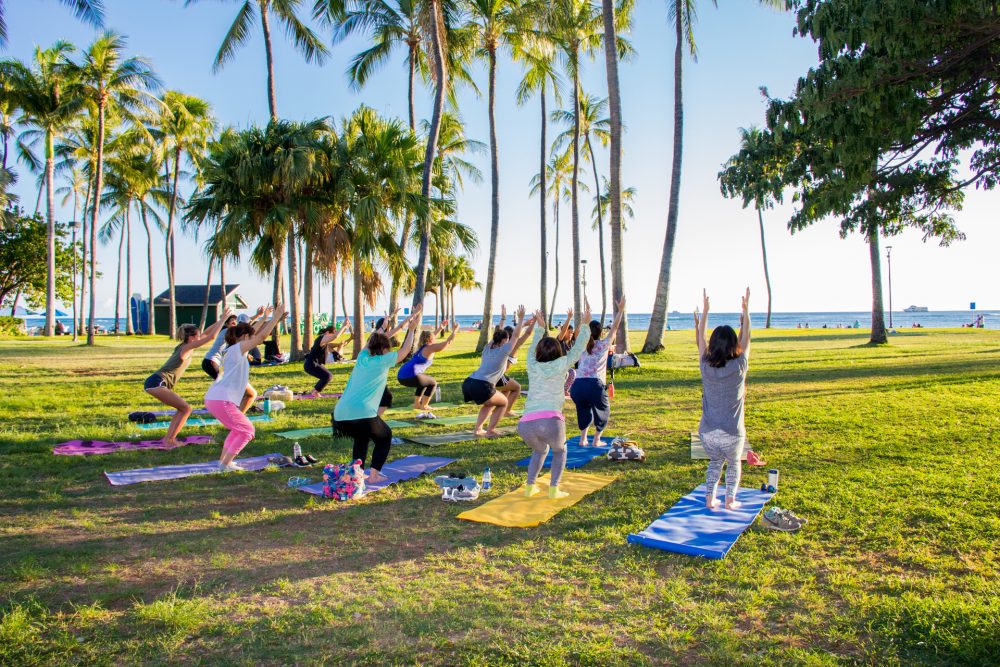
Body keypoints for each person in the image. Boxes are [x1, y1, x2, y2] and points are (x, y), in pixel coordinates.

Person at [332, 305, 423, 484]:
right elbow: (405, 351)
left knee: (362, 437)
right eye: (387, 348)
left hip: (340, 414)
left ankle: (356, 472)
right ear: (383, 349)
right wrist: (411, 330)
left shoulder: (362, 356)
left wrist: (390, 325)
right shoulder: (382, 361)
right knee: (385, 436)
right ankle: (374, 474)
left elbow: (373, 341)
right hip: (362, 412)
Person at [519, 302, 592, 500]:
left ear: (538, 354)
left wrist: (540, 328)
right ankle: (554, 489)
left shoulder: (532, 364)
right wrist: (585, 325)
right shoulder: (562, 363)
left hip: (525, 424)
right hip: (551, 421)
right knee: (560, 451)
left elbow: (532, 346)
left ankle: (530, 487)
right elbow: (578, 349)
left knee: (540, 449)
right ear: (559, 352)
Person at [206, 304, 287, 472]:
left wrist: (264, 318)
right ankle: (226, 464)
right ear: (244, 337)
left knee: (238, 429)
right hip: (221, 400)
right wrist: (275, 318)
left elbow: (254, 332)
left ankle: (224, 461)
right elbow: (261, 335)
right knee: (247, 430)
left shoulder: (234, 348)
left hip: (216, 398)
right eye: (250, 337)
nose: (253, 340)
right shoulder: (237, 349)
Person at [694, 288, 751, 511]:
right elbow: (747, 339)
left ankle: (710, 499)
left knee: (715, 462)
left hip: (707, 433)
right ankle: (729, 500)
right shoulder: (739, 366)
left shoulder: (705, 365)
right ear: (734, 344)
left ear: (713, 344)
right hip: (732, 432)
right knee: (734, 463)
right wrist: (746, 315)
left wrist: (705, 312)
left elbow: (700, 339)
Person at [143, 309, 234, 447]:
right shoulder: (185, 348)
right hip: (157, 382)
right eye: (197, 336)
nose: (200, 337)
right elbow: (210, 337)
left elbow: (206, 333)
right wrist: (222, 321)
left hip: (155, 382)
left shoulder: (186, 346)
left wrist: (222, 321)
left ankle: (169, 439)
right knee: (186, 409)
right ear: (191, 338)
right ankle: (170, 440)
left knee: (183, 409)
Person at [462, 306, 534, 437]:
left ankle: (478, 429)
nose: (508, 342)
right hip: (482, 385)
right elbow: (516, 335)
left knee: (490, 403)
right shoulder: (503, 351)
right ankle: (490, 431)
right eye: (506, 341)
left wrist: (503, 319)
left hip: (468, 383)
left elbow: (498, 333)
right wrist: (521, 318)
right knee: (504, 403)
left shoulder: (487, 347)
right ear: (502, 343)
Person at [571, 296, 627, 446]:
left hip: (577, 385)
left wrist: (587, 312)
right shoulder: (603, 344)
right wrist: (620, 310)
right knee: (603, 411)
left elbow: (581, 329)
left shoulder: (581, 344)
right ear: (601, 332)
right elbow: (615, 327)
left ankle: (583, 439)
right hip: (594, 384)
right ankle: (596, 440)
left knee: (583, 410)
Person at [397, 319, 458, 417]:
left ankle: (417, 404)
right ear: (430, 340)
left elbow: (431, 336)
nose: (434, 339)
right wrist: (455, 331)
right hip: (410, 375)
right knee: (433, 383)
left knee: (423, 382)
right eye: (433, 338)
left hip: (401, 375)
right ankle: (424, 405)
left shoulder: (422, 347)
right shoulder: (429, 348)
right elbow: (447, 343)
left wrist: (441, 328)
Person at [303, 319, 351, 397]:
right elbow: (335, 336)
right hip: (311, 364)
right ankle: (315, 391)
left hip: (312, 364)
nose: (331, 337)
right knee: (328, 376)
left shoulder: (323, 339)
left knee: (327, 376)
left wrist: (345, 327)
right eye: (331, 334)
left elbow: (335, 335)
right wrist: (343, 326)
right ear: (327, 333)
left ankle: (315, 391)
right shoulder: (321, 338)